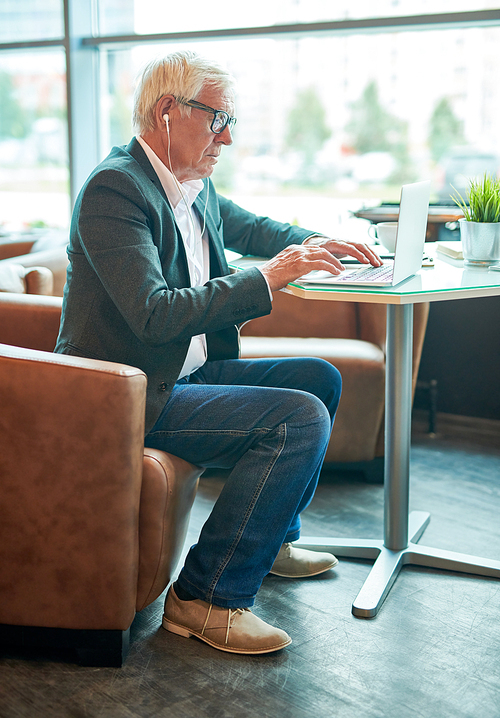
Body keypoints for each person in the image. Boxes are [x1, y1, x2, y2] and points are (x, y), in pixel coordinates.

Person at [55, 50, 381, 656]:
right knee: (299, 417)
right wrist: (271, 278)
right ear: (168, 112)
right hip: (127, 392)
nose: (227, 137)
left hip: (185, 374)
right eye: (218, 119)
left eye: (230, 121)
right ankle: (206, 596)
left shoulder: (189, 182)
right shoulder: (114, 189)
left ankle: (272, 538)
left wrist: (316, 242)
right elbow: (155, 314)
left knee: (321, 380)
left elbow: (252, 227)